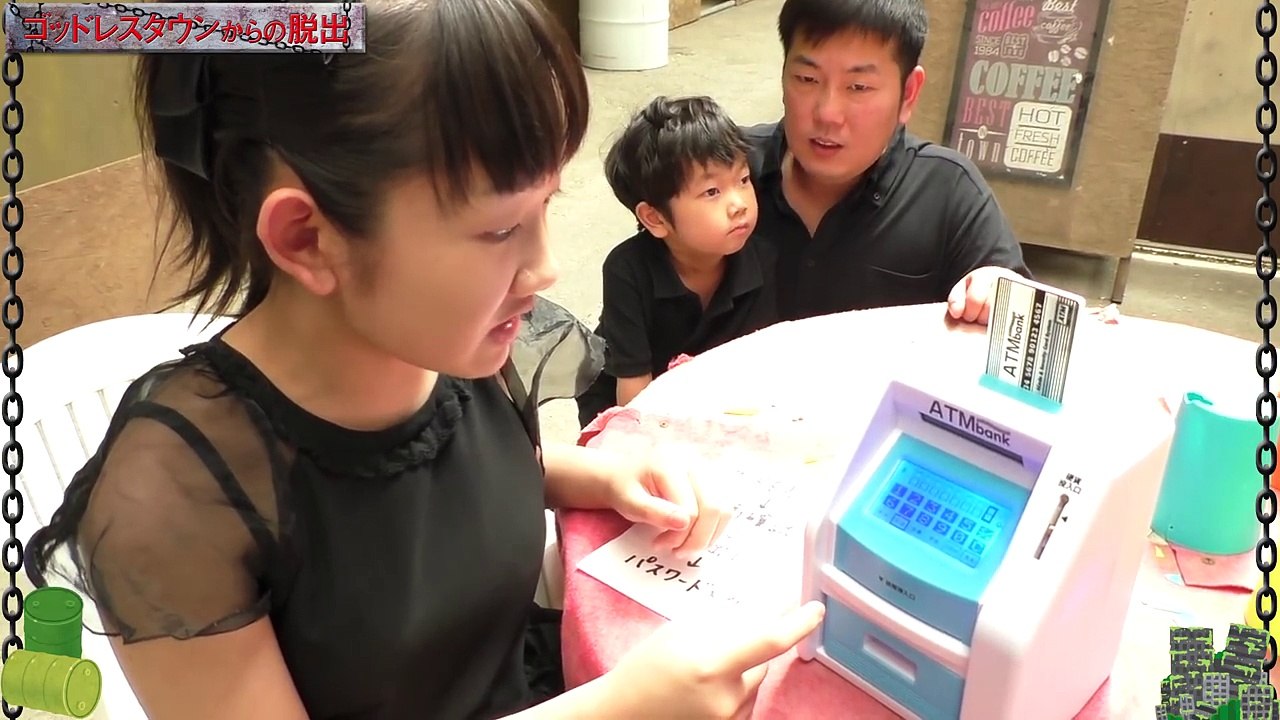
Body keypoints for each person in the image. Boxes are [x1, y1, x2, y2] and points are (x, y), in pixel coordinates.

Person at [22, 2, 824, 719]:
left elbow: (444, 478)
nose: (547, 268)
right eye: (500, 228)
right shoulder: (178, 507)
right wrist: (620, 709)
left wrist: (600, 475)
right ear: (307, 238)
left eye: (547, 204)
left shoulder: (450, 340)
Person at [744, 0, 1032, 325]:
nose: (827, 113)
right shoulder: (723, 170)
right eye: (807, 78)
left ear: (908, 94)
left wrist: (996, 293)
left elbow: (1019, 315)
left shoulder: (948, 193)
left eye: (858, 87)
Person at [577, 95, 777, 428]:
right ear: (655, 218)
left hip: (713, 405)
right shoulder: (627, 271)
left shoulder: (762, 258)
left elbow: (759, 362)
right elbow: (633, 391)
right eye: (712, 192)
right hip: (631, 407)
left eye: (743, 180)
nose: (739, 204)